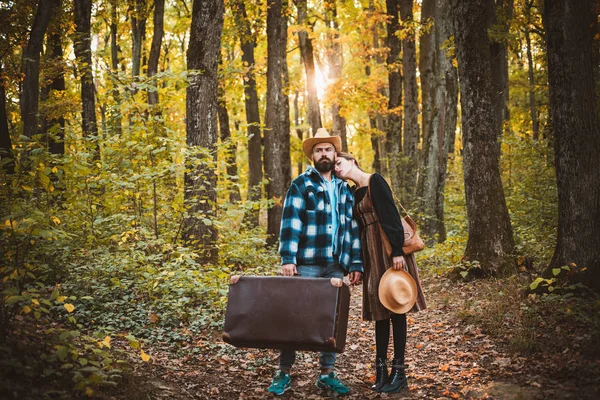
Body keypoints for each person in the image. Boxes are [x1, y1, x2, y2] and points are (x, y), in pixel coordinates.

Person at [268, 129, 363, 396]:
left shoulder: (345, 189)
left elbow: (353, 228)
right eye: (319, 150)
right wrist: (288, 258)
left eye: (328, 149)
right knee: (294, 316)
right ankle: (283, 372)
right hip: (306, 263)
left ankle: (326, 374)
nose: (324, 154)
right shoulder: (301, 184)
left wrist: (356, 263)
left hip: (336, 265)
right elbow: (290, 222)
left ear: (335, 155)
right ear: (312, 155)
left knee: (329, 320)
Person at [334, 152, 426, 393]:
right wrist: (358, 264)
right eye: (333, 167)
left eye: (338, 163)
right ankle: (381, 371)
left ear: (352, 160)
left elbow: (392, 216)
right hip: (370, 253)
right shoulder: (354, 193)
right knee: (380, 312)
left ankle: (399, 372)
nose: (336, 169)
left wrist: (397, 250)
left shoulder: (375, 180)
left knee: (396, 308)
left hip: (387, 250)